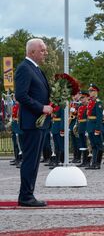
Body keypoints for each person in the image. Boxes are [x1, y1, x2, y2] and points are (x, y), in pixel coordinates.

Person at [14, 38, 52, 207]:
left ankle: (28, 194)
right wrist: (41, 107)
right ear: (32, 52)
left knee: (34, 160)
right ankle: (26, 196)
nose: (45, 53)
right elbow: (21, 95)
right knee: (30, 160)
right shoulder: (24, 68)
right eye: (42, 50)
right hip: (32, 123)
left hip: (39, 122)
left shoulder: (35, 68)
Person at [85, 84, 104, 170]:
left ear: (96, 92)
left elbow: (99, 117)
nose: (90, 92)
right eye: (89, 91)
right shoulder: (90, 102)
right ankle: (93, 162)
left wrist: (97, 129)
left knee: (98, 145)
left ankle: (97, 163)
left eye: (92, 91)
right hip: (90, 125)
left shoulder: (98, 103)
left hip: (95, 126)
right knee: (93, 145)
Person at [10, 101, 23, 168]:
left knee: (20, 144)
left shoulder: (21, 106)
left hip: (18, 126)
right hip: (15, 125)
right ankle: (17, 158)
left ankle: (21, 159)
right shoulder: (15, 105)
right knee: (16, 143)